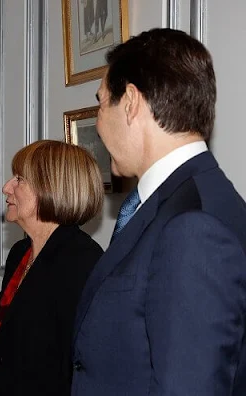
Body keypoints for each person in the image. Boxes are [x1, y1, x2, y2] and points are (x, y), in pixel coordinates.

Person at [72, 28, 246, 396]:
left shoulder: (195, 227)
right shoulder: (178, 201)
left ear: (131, 102)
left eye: (102, 104)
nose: (98, 122)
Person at [0, 140, 104, 396]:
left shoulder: (81, 263)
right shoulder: (20, 254)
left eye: (19, 179)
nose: (6, 188)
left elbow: (81, 369)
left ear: (50, 188)